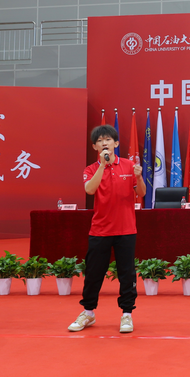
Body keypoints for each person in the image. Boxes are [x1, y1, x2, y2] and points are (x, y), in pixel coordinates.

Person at [68, 125, 145, 334]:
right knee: (94, 273)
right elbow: (90, 189)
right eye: (100, 141)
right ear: (95, 146)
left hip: (126, 229)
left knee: (126, 274)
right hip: (100, 230)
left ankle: (127, 314)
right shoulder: (91, 169)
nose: (105, 143)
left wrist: (138, 177)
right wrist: (102, 165)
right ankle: (88, 312)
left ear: (116, 143)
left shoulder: (129, 166)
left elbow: (142, 192)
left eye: (108, 140)